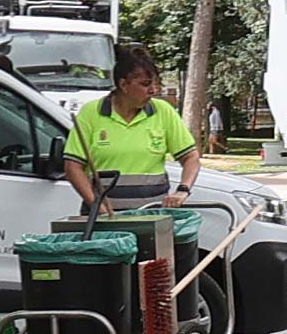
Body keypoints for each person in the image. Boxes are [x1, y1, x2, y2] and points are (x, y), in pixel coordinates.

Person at [62, 41, 202, 212]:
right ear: (124, 85)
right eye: (145, 84)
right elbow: (73, 167)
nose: (153, 90)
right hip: (103, 222)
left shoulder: (163, 111)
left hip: (152, 217)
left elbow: (191, 158)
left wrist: (182, 190)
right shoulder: (91, 113)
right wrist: (97, 206)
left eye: (155, 84)